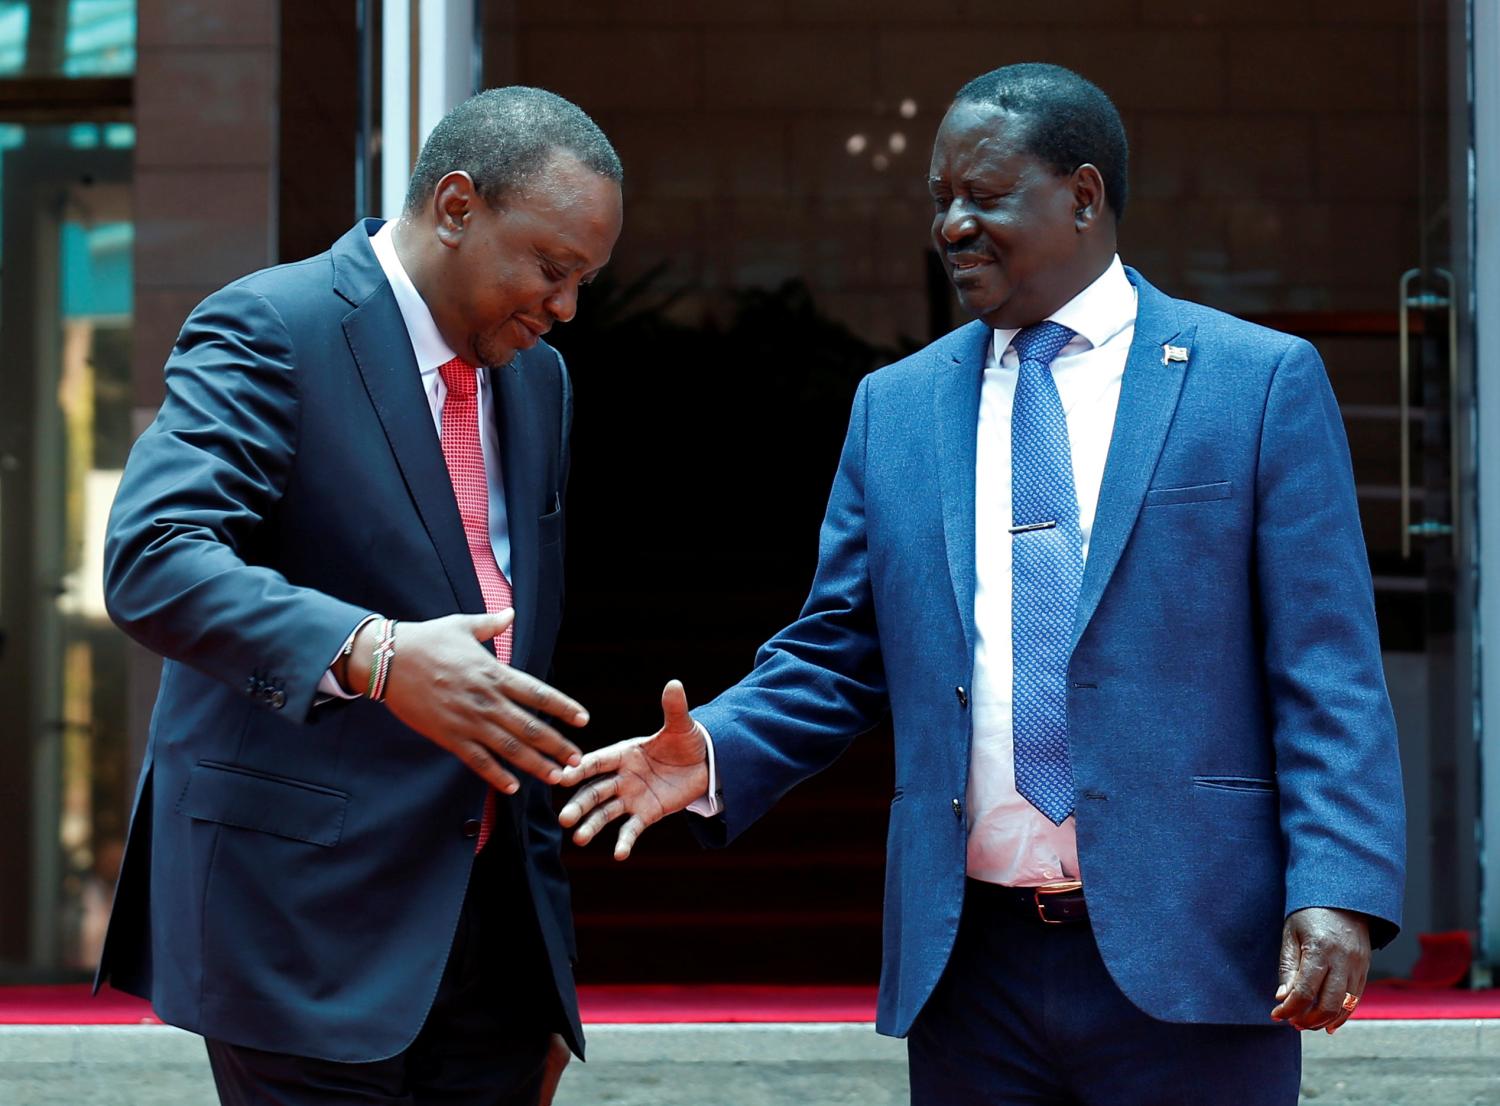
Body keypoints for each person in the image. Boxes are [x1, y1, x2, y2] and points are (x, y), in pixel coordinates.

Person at [557, 63, 1405, 1105]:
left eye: (984, 193)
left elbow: (1328, 666)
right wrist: (718, 749)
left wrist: (1338, 887)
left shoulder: (1256, 381)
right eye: (939, 198)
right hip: (974, 973)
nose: (952, 223)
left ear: (1084, 195)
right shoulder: (898, 407)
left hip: (1194, 949)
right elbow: (838, 651)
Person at [97, 86, 623, 1106]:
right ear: (457, 205)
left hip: (487, 955)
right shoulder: (272, 327)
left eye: (585, 280)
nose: (565, 306)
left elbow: (516, 676)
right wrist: (373, 652)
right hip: (299, 929)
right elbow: (153, 554)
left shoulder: (540, 379)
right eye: (552, 268)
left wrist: (541, 979)